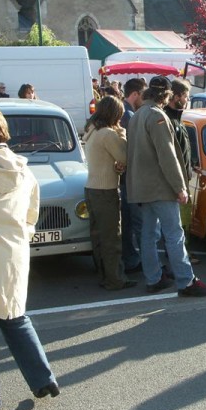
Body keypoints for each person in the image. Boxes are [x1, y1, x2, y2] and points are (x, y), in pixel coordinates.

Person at [0, 103, 59, 410]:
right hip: (14, 256)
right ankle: (44, 379)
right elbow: (31, 217)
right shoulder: (23, 166)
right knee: (15, 318)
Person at [126, 76, 206, 296]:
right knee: (174, 235)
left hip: (142, 187)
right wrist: (179, 187)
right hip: (159, 186)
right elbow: (167, 155)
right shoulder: (157, 116)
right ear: (165, 95)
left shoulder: (137, 115)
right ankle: (186, 281)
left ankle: (153, 278)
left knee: (148, 235)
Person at [83, 96, 137, 291]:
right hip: (106, 191)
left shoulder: (92, 130)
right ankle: (115, 280)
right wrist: (122, 133)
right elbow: (124, 155)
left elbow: (104, 161)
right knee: (112, 238)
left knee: (98, 237)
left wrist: (117, 168)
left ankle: (104, 275)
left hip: (92, 188)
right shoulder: (108, 133)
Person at [163, 79, 200, 266]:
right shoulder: (167, 119)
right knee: (178, 223)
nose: (187, 99)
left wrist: (191, 165)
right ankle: (179, 256)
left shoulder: (177, 117)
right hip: (175, 182)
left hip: (183, 177)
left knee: (183, 220)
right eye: (185, 96)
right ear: (176, 97)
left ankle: (182, 253)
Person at [119, 78, 147, 273]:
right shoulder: (129, 115)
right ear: (135, 94)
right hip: (131, 178)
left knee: (128, 223)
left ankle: (131, 259)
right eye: (142, 95)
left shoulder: (122, 110)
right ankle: (146, 262)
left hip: (123, 178)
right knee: (139, 223)